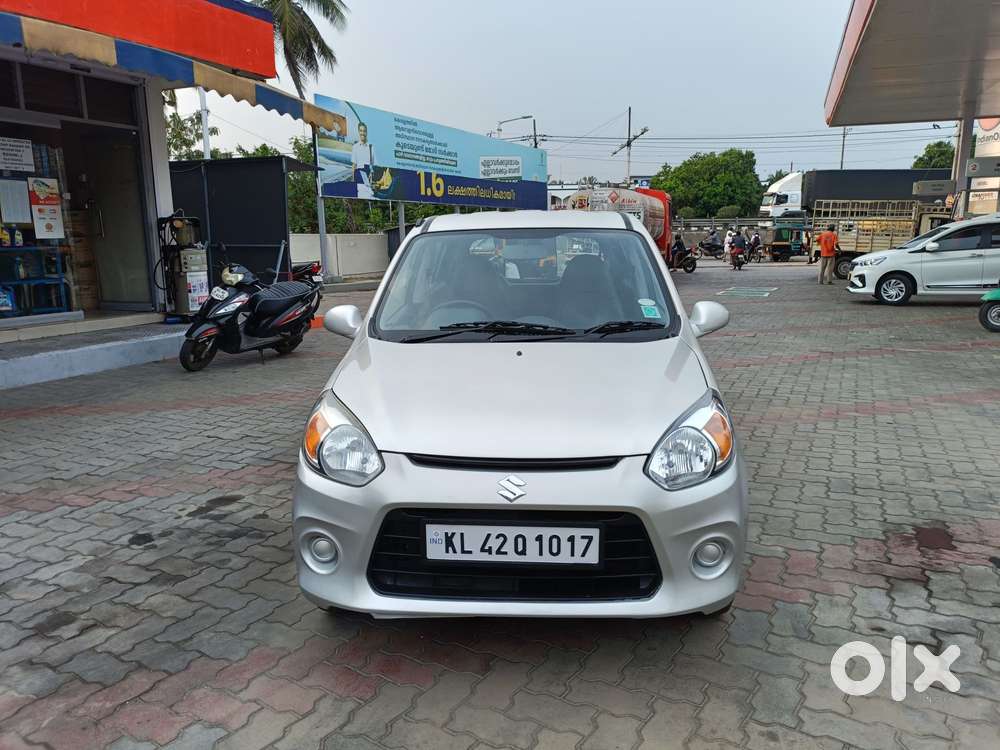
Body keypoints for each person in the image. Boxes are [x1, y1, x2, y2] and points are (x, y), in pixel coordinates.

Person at [351, 122, 376, 199]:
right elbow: (354, 165)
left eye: (364, 131)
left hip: (368, 174)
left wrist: (371, 174)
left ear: (366, 132)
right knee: (360, 195)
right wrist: (353, 179)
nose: (363, 133)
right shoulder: (355, 147)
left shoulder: (371, 147)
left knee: (369, 195)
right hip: (359, 173)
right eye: (361, 131)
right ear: (359, 132)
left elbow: (373, 164)